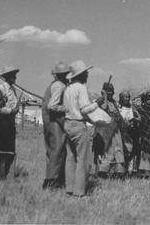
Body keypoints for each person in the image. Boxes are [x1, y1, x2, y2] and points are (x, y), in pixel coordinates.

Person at [63, 60, 102, 196]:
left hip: (67, 124)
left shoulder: (67, 88)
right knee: (82, 159)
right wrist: (97, 103)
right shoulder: (81, 88)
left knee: (70, 158)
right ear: (80, 75)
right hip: (79, 124)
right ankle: (79, 191)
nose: (87, 75)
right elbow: (85, 110)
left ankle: (69, 188)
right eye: (86, 72)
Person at [42, 62, 70, 190]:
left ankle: (53, 179)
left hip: (49, 121)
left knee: (52, 151)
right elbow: (52, 106)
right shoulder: (60, 86)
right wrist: (66, 108)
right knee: (57, 151)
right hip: (55, 122)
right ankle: (52, 181)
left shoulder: (52, 85)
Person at [96, 82, 126, 178]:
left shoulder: (113, 102)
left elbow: (117, 114)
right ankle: (103, 172)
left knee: (118, 149)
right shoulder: (100, 101)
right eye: (109, 91)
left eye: (112, 91)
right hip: (106, 131)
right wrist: (104, 96)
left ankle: (118, 172)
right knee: (108, 150)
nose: (111, 93)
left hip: (116, 129)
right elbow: (104, 108)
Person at [0, 66, 20, 180]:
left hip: (10, 121)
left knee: (10, 148)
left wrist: (15, 109)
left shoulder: (12, 89)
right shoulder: (1, 89)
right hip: (2, 121)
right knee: (1, 148)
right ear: (8, 77)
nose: (15, 77)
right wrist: (11, 111)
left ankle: (7, 174)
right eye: (13, 75)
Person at [118, 91, 141, 175]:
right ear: (121, 98)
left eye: (128, 97)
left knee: (131, 151)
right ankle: (121, 170)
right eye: (125, 97)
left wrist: (134, 120)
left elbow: (139, 118)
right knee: (122, 151)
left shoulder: (132, 108)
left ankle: (129, 170)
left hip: (131, 132)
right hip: (121, 132)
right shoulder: (118, 107)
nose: (127, 99)